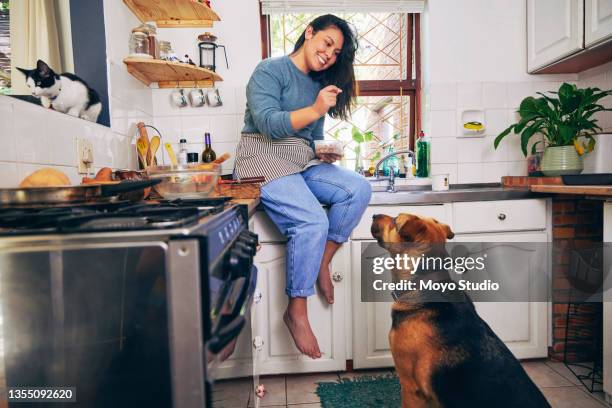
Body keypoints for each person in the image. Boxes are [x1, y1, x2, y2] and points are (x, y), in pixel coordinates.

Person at [235, 14, 371, 359]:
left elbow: (308, 137)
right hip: (261, 156)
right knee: (313, 221)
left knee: (357, 189)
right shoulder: (270, 69)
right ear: (309, 33)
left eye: (337, 52)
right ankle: (296, 309)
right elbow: (268, 124)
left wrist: (323, 149)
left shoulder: (319, 85)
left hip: (301, 160)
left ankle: (321, 262)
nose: (329, 54)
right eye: (327, 43)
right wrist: (314, 108)